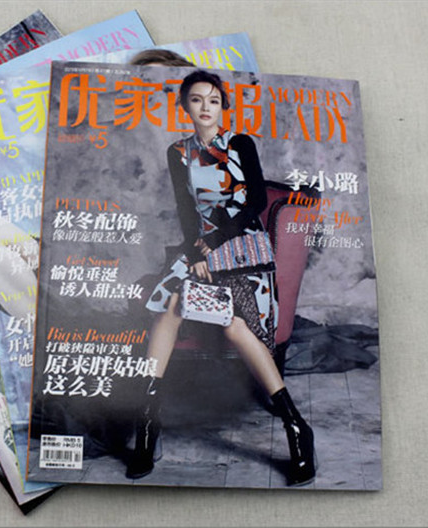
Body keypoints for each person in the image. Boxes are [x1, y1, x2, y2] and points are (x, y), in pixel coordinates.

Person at [127, 69, 316, 486]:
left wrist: (214, 244)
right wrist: (198, 252)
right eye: (197, 100)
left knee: (233, 324)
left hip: (243, 244)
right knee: (172, 305)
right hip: (200, 250)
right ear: (185, 106)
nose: (205, 107)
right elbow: (185, 210)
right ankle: (147, 420)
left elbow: (255, 202)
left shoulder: (240, 144)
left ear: (223, 107)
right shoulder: (178, 152)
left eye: (213, 100)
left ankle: (296, 426)